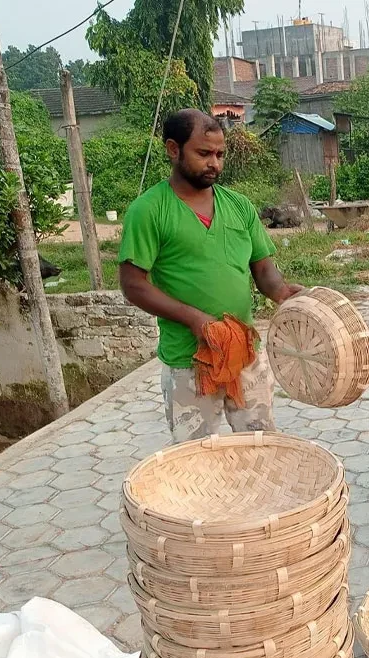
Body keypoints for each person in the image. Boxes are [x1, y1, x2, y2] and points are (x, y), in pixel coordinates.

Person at [118, 109, 303, 443]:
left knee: (261, 446)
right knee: (198, 460)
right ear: (173, 149)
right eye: (203, 154)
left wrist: (283, 293)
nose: (214, 163)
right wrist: (194, 319)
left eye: (220, 155)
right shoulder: (148, 210)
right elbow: (133, 285)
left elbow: (263, 270)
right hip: (189, 362)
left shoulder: (239, 206)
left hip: (245, 353)